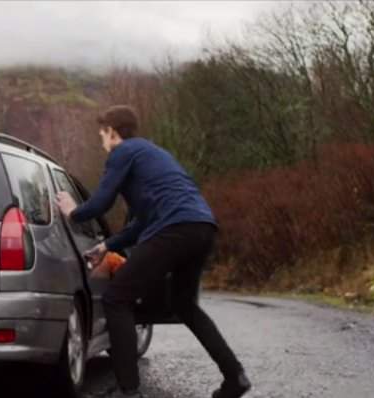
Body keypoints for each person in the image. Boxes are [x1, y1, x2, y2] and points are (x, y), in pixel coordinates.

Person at [55, 105, 250, 398]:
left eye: (102, 135)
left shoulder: (123, 152)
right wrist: (106, 245)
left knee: (116, 298)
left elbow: (100, 203)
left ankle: (130, 391)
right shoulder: (155, 155)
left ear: (112, 131)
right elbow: (142, 222)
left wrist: (73, 212)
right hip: (202, 227)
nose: (102, 142)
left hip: (174, 230)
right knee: (185, 306)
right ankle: (235, 377)